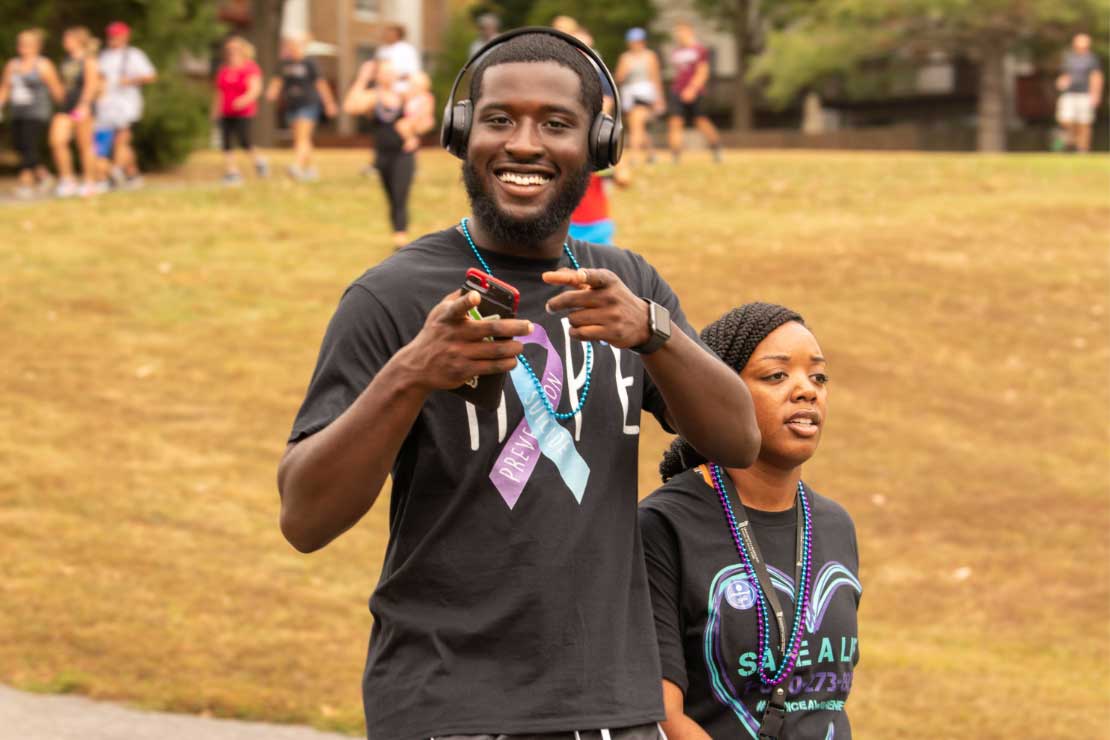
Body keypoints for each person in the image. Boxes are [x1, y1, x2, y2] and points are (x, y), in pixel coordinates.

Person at [278, 29, 761, 740]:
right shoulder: (391, 295)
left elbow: (738, 438)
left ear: (598, 145)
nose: (524, 144)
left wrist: (652, 332)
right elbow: (305, 519)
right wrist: (412, 372)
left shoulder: (630, 286)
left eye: (556, 123)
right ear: (462, 132)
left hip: (612, 707)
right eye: (500, 119)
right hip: (446, 707)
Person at [639, 303, 861, 739]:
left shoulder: (835, 525)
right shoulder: (662, 526)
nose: (806, 390)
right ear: (720, 396)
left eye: (818, 377)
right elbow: (662, 714)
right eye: (776, 376)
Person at [344, 61, 433, 248]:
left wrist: (416, 131)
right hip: (381, 156)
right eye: (384, 72)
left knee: (401, 195)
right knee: (391, 197)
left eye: (391, 72)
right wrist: (362, 78)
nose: (388, 76)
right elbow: (350, 106)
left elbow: (426, 111)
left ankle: (400, 237)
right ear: (377, 76)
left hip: (404, 154)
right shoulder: (372, 98)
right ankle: (397, 234)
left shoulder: (404, 96)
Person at [0, 29, 63, 198]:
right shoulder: (12, 65)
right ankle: (45, 176)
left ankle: (26, 183)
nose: (22, 47)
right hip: (17, 112)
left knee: (29, 145)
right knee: (20, 147)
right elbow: (5, 88)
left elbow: (56, 89)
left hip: (37, 113)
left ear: (36, 46)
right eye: (20, 44)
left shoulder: (43, 65)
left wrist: (65, 111)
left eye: (27, 44)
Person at [266, 34, 337, 182]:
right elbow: (278, 80)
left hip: (309, 103)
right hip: (292, 104)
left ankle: (297, 166)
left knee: (301, 137)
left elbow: (321, 84)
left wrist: (329, 103)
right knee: (301, 138)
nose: (292, 49)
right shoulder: (285, 63)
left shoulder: (310, 63)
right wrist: (272, 92)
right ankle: (311, 170)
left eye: (296, 46)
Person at [98, 21, 157, 188]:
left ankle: (116, 171)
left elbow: (150, 76)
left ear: (125, 36)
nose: (112, 38)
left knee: (121, 138)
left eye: (115, 35)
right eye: (110, 34)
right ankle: (132, 173)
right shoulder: (104, 55)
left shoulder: (134, 55)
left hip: (126, 104)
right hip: (107, 105)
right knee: (120, 141)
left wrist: (130, 80)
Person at [50, 26, 100, 198]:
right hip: (66, 107)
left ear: (78, 41)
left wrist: (84, 105)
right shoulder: (66, 60)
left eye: (68, 39)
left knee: (84, 145)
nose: (65, 42)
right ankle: (67, 179)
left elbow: (91, 84)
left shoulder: (88, 60)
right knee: (57, 140)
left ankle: (89, 182)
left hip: (81, 107)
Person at [212, 35, 268, 184]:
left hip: (244, 112)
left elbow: (255, 89)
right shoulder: (224, 69)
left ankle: (259, 161)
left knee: (245, 141)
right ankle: (232, 172)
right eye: (229, 49)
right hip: (226, 111)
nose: (232, 51)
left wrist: (243, 100)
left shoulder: (250, 68)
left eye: (235, 48)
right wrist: (215, 111)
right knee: (226, 142)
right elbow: (219, 92)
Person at [667, 22, 721, 163]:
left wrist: (692, 89)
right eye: (677, 33)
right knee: (675, 122)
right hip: (677, 91)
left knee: (701, 121)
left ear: (689, 31)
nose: (678, 35)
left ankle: (716, 148)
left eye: (681, 32)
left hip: (695, 92)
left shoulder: (699, 50)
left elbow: (703, 72)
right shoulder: (676, 51)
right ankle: (675, 156)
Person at [616, 27, 664, 166]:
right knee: (637, 126)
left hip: (645, 93)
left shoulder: (650, 56)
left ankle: (634, 156)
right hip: (629, 95)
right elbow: (619, 78)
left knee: (637, 124)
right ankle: (652, 154)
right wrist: (625, 71)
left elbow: (655, 77)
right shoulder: (625, 57)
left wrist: (659, 97)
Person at [1056, 32, 1103, 154]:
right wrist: (1062, 81)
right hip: (1069, 93)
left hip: (1085, 94)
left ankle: (1083, 150)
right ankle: (1072, 140)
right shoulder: (1069, 58)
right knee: (1065, 120)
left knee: (1084, 123)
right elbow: (1065, 74)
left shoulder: (1092, 59)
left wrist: (1096, 94)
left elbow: (1096, 77)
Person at [375, 23, 421, 91]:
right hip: (382, 89)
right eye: (386, 33)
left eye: (390, 33)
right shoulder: (382, 50)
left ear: (398, 34)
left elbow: (413, 72)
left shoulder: (407, 49)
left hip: (402, 88)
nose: (387, 35)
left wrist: (393, 78)